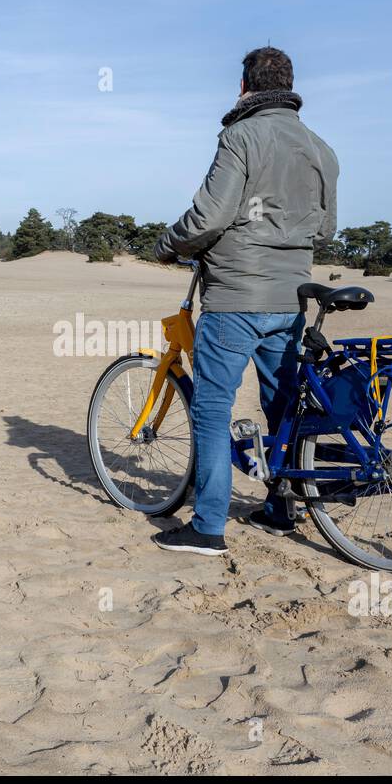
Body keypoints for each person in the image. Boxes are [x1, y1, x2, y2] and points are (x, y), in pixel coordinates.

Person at [151, 46, 339, 557]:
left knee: (212, 408)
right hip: (291, 296)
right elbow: (325, 227)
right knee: (282, 406)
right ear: (292, 84)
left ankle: (209, 526)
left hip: (237, 295)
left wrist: (168, 245)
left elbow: (210, 216)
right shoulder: (322, 149)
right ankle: (280, 509)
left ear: (244, 87)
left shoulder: (240, 136)